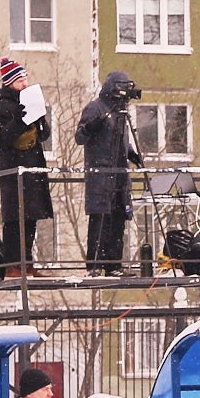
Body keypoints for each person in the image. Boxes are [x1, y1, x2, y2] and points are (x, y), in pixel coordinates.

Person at [0, 57, 54, 270]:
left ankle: (28, 263)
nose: (24, 84)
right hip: (13, 169)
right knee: (15, 218)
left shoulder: (27, 100)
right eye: (20, 80)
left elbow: (43, 136)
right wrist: (20, 121)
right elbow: (1, 140)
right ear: (9, 82)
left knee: (31, 216)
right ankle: (14, 264)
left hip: (32, 167)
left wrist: (41, 119)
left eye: (25, 79)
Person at [75, 70, 144, 274]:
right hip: (101, 172)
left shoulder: (121, 112)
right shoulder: (96, 108)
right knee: (100, 218)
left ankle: (114, 264)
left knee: (118, 218)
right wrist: (93, 125)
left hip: (119, 172)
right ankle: (95, 265)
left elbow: (120, 141)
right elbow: (80, 137)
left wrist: (132, 155)